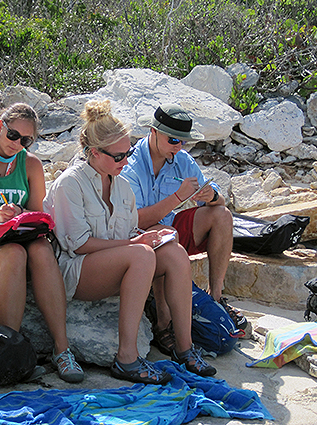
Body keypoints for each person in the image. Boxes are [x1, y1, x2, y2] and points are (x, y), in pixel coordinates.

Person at [43, 99, 216, 383]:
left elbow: (127, 231)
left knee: (173, 252)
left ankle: (184, 348)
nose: (126, 161)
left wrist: (152, 238)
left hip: (111, 263)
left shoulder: (122, 185)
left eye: (128, 153)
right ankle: (127, 358)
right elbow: (79, 245)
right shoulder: (69, 184)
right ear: (94, 153)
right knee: (142, 254)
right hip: (75, 271)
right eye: (119, 156)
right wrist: (137, 244)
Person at [0, 102, 84, 383]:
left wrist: (22, 216)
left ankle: (62, 349)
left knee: (39, 248)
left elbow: (36, 211)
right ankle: (8, 350)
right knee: (13, 254)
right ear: (1, 125)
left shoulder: (30, 164)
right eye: (13, 135)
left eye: (26, 140)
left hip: (15, 236)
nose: (18, 144)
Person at [120, 104, 249, 355]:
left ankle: (217, 296)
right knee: (167, 235)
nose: (178, 147)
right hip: (136, 237)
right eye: (173, 140)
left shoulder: (181, 159)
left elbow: (217, 202)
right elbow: (134, 220)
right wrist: (178, 197)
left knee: (221, 216)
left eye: (184, 142)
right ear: (153, 132)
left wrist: (212, 196)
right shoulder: (131, 165)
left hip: (168, 230)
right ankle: (162, 321)